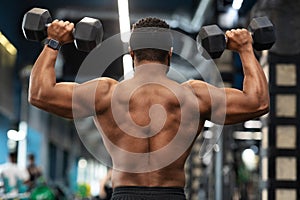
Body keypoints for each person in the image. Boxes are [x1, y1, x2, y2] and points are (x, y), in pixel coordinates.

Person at [28, 17, 269, 200]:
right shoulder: (193, 96)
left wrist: (54, 41)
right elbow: (258, 101)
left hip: (124, 194)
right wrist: (246, 48)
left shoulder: (105, 94)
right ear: (170, 54)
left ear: (132, 54)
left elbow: (40, 93)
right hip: (172, 194)